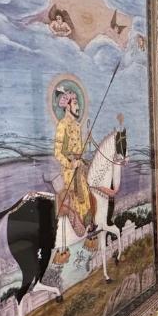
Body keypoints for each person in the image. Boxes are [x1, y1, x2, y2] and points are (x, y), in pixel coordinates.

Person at [53, 86, 95, 239]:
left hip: (80, 167)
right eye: (75, 103)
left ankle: (90, 224)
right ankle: (79, 228)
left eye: (78, 103)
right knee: (78, 195)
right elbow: (57, 153)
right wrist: (71, 164)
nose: (78, 107)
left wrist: (87, 144)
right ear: (67, 105)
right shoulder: (62, 125)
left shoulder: (77, 126)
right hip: (69, 170)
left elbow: (79, 151)